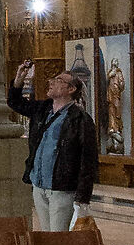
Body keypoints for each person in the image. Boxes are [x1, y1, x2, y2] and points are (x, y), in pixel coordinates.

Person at [8, 60, 98, 232]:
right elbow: (15, 103)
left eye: (58, 80)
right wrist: (19, 80)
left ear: (70, 89)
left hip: (62, 188)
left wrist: (83, 197)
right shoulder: (43, 109)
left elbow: (88, 160)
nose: (51, 82)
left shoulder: (80, 119)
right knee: (47, 236)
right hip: (39, 185)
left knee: (59, 238)